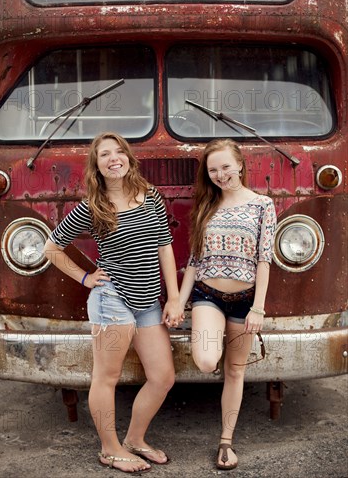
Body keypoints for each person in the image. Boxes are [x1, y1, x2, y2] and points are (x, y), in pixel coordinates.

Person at [44, 131, 182, 474]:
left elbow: (164, 245)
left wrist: (175, 296)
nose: (113, 158)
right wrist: (85, 277)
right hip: (112, 300)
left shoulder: (150, 196)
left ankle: (135, 439)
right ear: (97, 166)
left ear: (128, 158)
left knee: (163, 376)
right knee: (107, 377)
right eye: (104, 154)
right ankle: (110, 449)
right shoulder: (93, 207)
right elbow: (51, 248)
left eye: (118, 151)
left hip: (149, 300)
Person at [179, 138, 277, 471]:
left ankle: (226, 442)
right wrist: (179, 302)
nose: (221, 175)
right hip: (208, 296)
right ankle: (212, 341)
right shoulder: (206, 205)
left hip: (245, 302)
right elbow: (193, 261)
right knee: (207, 361)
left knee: (235, 371)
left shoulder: (263, 205)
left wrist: (258, 308)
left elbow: (265, 260)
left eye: (225, 167)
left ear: (239, 165)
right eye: (213, 170)